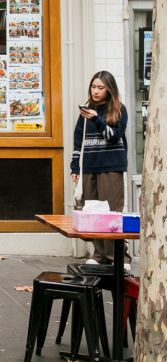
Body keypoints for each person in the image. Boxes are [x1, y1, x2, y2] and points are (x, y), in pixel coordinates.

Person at [70, 70, 129, 267]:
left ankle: (119, 257)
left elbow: (114, 135)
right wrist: (74, 167)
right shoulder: (86, 110)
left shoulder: (119, 110)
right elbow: (78, 140)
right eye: (93, 87)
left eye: (100, 88)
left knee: (112, 213)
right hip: (89, 166)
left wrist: (96, 118)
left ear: (109, 90)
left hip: (111, 165)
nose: (95, 91)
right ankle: (99, 255)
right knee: (93, 212)